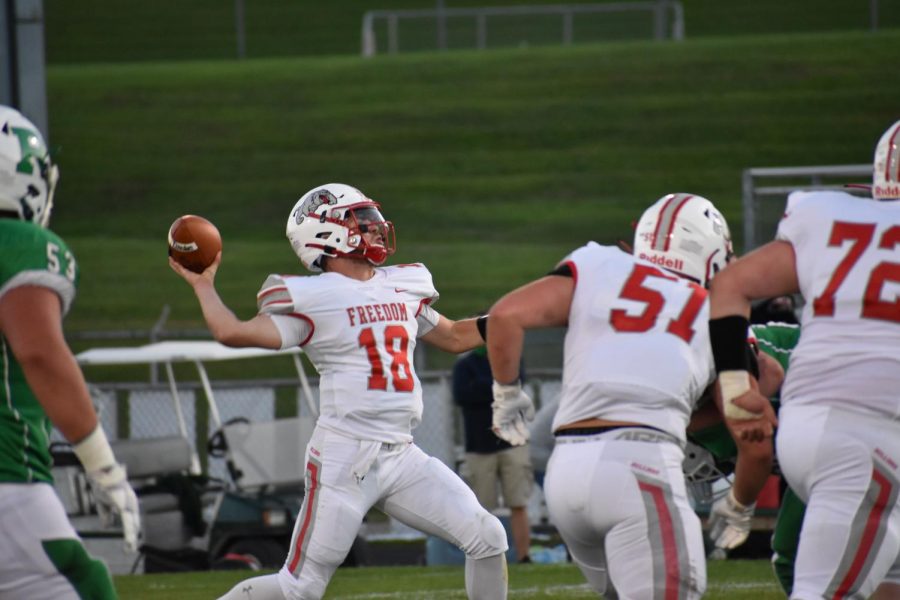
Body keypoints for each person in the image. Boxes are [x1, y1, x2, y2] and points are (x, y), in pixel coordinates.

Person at [170, 183, 509, 600]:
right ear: (325, 232)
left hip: (401, 454)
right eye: (362, 220)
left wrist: (509, 318)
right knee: (301, 589)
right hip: (344, 458)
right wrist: (203, 285)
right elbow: (231, 332)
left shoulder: (399, 286)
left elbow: (455, 335)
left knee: (487, 536)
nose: (377, 228)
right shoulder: (314, 298)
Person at [486, 192, 769, 598]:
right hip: (640, 469)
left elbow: (505, 316)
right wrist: (740, 506)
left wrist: (507, 392)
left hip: (567, 476)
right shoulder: (717, 311)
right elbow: (754, 441)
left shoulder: (597, 263)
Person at [708, 119, 900, 599]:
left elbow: (730, 285)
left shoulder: (831, 219)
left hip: (811, 425)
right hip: (869, 432)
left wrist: (735, 389)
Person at [0, 106, 141, 598]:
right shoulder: (19, 242)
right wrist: (103, 468)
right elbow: (39, 352)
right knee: (84, 583)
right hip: (8, 473)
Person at [452, 345, 533, 563]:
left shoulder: (510, 357)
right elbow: (462, 395)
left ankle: (524, 556)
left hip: (512, 443)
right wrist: (495, 384)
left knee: (519, 503)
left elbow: (514, 389)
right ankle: (486, 557)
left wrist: (481, 386)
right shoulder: (465, 365)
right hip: (479, 446)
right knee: (480, 509)